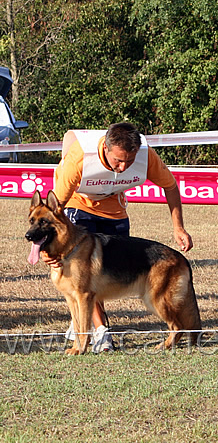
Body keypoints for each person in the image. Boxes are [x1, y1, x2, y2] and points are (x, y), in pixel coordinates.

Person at [42, 122, 193, 352]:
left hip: (115, 210)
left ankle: (81, 321)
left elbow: (170, 186)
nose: (123, 167)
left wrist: (178, 227)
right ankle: (100, 332)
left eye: (129, 162)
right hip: (78, 208)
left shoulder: (145, 155)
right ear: (106, 148)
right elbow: (53, 214)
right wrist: (47, 251)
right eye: (118, 161)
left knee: (110, 271)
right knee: (87, 277)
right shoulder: (79, 158)